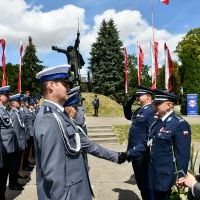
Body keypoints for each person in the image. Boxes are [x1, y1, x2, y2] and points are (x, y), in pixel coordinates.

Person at [34, 64, 126, 200]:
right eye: (65, 84)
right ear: (51, 86)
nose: (69, 88)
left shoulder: (60, 115)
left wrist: (117, 156)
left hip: (77, 191)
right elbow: (54, 173)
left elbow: (84, 144)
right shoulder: (49, 119)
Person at [148, 89, 191, 200]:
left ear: (169, 105)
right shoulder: (157, 123)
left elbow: (182, 155)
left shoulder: (179, 124)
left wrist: (180, 178)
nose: (154, 106)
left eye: (157, 104)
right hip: (154, 175)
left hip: (167, 179)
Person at [123, 85, 155, 200]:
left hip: (143, 154)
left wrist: (136, 151)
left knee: (147, 185)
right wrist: (130, 99)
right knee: (141, 184)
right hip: (135, 154)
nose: (137, 97)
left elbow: (150, 136)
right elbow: (127, 114)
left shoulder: (151, 111)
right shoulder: (139, 110)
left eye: (139, 95)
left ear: (147, 96)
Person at [0, 86, 23, 200]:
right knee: (1, 175)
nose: (8, 97)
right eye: (6, 95)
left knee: (4, 175)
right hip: (3, 148)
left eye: (9, 95)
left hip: (8, 147)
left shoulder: (5, 109)